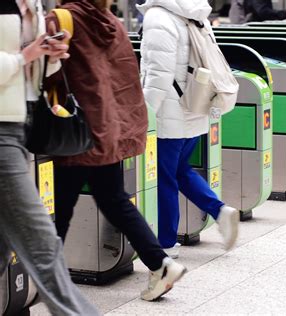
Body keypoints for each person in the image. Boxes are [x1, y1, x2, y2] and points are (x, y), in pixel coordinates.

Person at [47, 0, 186, 301]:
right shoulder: (112, 23)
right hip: (107, 128)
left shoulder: (62, 19)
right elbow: (124, 77)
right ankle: (160, 263)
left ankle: (48, 283)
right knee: (113, 200)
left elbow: (47, 74)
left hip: (75, 131)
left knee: (59, 210)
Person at [0, 0, 100, 314]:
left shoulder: (37, 5)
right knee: (42, 242)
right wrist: (25, 55)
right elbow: (20, 59)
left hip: (22, 127)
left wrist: (51, 58)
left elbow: (37, 75)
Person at [137, 0, 240, 259]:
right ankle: (220, 211)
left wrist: (146, 114)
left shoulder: (158, 17)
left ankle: (166, 242)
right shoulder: (196, 13)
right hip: (195, 108)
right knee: (180, 170)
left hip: (168, 115)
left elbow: (158, 74)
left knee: (163, 177)